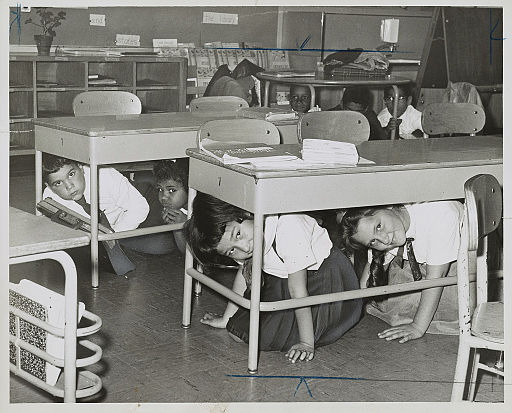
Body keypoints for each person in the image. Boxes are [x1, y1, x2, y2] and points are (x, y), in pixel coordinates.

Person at [183, 192, 362, 363]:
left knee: (259, 335)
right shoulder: (250, 235)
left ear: (245, 211)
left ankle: (307, 332)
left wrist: (307, 343)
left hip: (323, 282)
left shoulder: (288, 225)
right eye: (231, 251)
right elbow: (244, 275)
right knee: (236, 330)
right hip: (286, 281)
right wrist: (226, 318)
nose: (244, 248)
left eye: (238, 234)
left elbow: (298, 290)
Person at [339, 201, 465, 343]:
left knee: (445, 311)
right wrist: (350, 313)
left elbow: (436, 278)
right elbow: (367, 279)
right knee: (388, 302)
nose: (384, 240)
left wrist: (417, 327)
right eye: (372, 242)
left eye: (379, 226)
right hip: (424, 267)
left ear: (388, 206)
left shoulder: (440, 214)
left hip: (461, 267)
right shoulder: (389, 226)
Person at [42, 154, 149, 275]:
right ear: (49, 187)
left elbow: (139, 207)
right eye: (58, 183)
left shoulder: (104, 175)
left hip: (127, 216)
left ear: (81, 167)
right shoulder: (50, 199)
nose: (69, 186)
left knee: (160, 245)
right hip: (97, 236)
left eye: (71, 174)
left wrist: (114, 234)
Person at [125, 159, 189, 255]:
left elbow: (188, 254)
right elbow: (143, 178)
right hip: (144, 216)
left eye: (172, 190)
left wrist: (178, 228)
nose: (163, 197)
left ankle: (116, 239)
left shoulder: (198, 208)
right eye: (160, 189)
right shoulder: (163, 200)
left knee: (164, 244)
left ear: (189, 188)